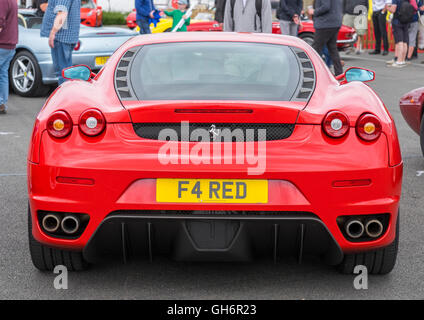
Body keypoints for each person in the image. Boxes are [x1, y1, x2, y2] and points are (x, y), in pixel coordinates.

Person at [40, 0, 81, 85]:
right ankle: (68, 95)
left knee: (63, 73)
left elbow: (62, 13)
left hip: (61, 37)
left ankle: (66, 97)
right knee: (66, 72)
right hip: (66, 37)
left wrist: (53, 33)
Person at [308, 0, 344, 76]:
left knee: (315, 50)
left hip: (325, 23)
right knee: (332, 49)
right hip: (335, 22)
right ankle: (339, 73)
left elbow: (325, 7)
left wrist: (314, 11)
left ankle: (312, 74)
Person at [0, 0, 18, 115]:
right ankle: (2, 103)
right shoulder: (12, 1)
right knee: (3, 74)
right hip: (10, 44)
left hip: (2, 44)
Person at [386, 0, 415, 67]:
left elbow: (393, 10)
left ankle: (399, 61)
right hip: (406, 20)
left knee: (399, 42)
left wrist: (388, 8)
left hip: (397, 20)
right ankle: (402, 60)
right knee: (405, 41)